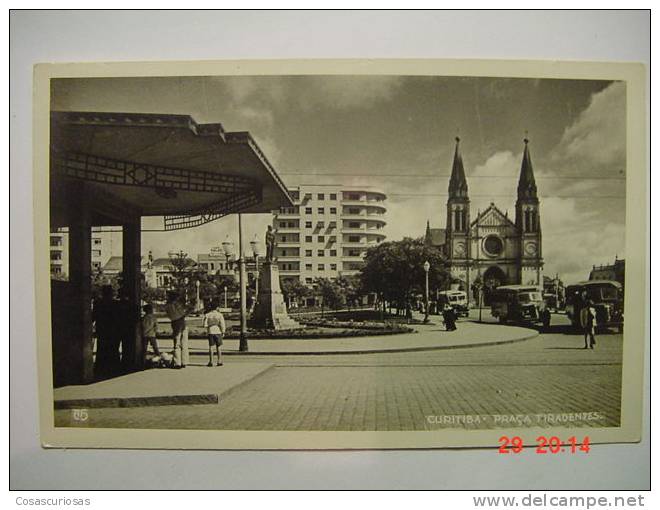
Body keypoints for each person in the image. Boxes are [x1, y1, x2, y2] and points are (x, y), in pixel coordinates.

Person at [92, 285, 121, 378]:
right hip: (114, 330)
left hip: (102, 329)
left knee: (102, 349)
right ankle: (114, 368)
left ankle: (101, 368)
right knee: (113, 349)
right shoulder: (116, 304)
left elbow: (93, 316)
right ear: (111, 293)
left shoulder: (98, 303)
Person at [165, 291, 189, 368]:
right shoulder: (177, 304)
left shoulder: (167, 305)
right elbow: (183, 313)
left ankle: (177, 361)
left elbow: (169, 315)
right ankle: (184, 361)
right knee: (184, 342)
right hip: (181, 321)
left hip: (174, 322)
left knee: (176, 342)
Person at [203, 300, 226, 367]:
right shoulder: (219, 315)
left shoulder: (207, 315)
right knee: (219, 346)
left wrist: (209, 326)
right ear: (217, 307)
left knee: (211, 347)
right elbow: (222, 324)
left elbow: (204, 324)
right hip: (218, 331)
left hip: (210, 331)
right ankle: (219, 360)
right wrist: (223, 331)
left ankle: (211, 361)